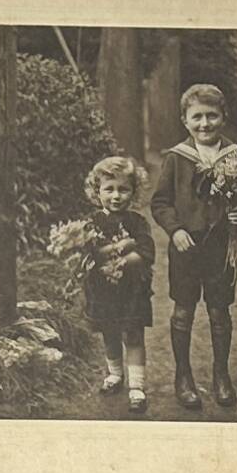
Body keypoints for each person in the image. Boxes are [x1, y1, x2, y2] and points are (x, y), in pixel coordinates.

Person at [149, 85, 237, 410]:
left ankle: (220, 375)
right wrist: (175, 230)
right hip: (186, 247)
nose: (204, 123)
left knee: (219, 310)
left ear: (223, 117)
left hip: (221, 246)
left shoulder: (236, 157)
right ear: (185, 120)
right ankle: (183, 376)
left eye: (212, 116)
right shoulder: (176, 158)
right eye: (197, 117)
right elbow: (160, 203)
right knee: (183, 309)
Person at [50, 154, 156, 409]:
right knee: (109, 332)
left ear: (134, 192)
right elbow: (89, 254)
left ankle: (137, 387)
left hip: (131, 290)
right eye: (109, 189)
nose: (116, 196)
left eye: (124, 189)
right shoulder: (91, 224)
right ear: (97, 192)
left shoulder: (137, 222)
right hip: (103, 290)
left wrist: (125, 259)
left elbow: (147, 252)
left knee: (133, 334)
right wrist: (117, 247)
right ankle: (115, 374)